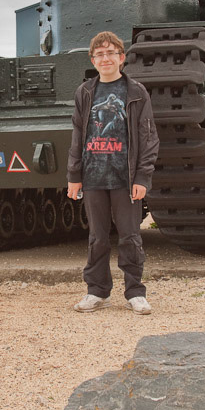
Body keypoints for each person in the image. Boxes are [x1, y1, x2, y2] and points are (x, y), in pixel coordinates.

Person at [67, 31, 159, 315]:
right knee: (97, 238)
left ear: (121, 57)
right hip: (94, 176)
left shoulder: (135, 92)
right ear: (93, 60)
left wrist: (142, 177)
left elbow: (148, 137)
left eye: (110, 53)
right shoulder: (85, 92)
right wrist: (74, 175)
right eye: (99, 54)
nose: (105, 58)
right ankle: (97, 291)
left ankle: (135, 292)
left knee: (130, 236)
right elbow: (78, 135)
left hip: (124, 177)